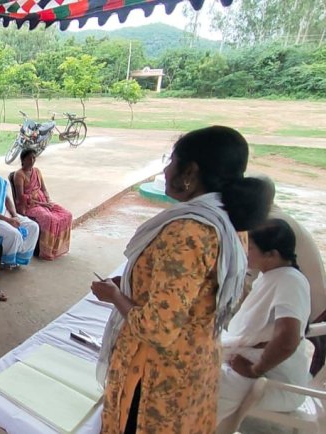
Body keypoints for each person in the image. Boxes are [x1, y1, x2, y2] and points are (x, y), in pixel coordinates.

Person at [89, 126, 270, 434]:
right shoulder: (229, 224)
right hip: (195, 364)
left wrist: (115, 296)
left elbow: (157, 329)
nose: (165, 167)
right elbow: (202, 294)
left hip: (156, 378)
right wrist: (135, 284)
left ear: (190, 172)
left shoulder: (188, 232)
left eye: (171, 160)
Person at [216, 219, 311, 429]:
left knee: (197, 384)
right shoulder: (272, 276)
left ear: (272, 255)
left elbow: (288, 340)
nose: (244, 250)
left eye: (250, 247)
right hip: (255, 367)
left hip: (273, 381)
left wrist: (254, 370)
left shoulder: (290, 281)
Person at [258, 177, 326, 321]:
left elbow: (250, 274)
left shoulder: (271, 225)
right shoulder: (275, 218)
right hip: (313, 299)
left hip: (305, 310)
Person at [13, 149, 73, 260]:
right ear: (23, 159)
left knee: (67, 214)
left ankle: (57, 248)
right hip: (29, 206)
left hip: (43, 202)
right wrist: (42, 204)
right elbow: (21, 197)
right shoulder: (19, 174)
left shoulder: (37, 171)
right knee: (49, 218)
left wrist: (48, 201)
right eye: (29, 158)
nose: (32, 160)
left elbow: (44, 188)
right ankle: (45, 251)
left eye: (34, 158)